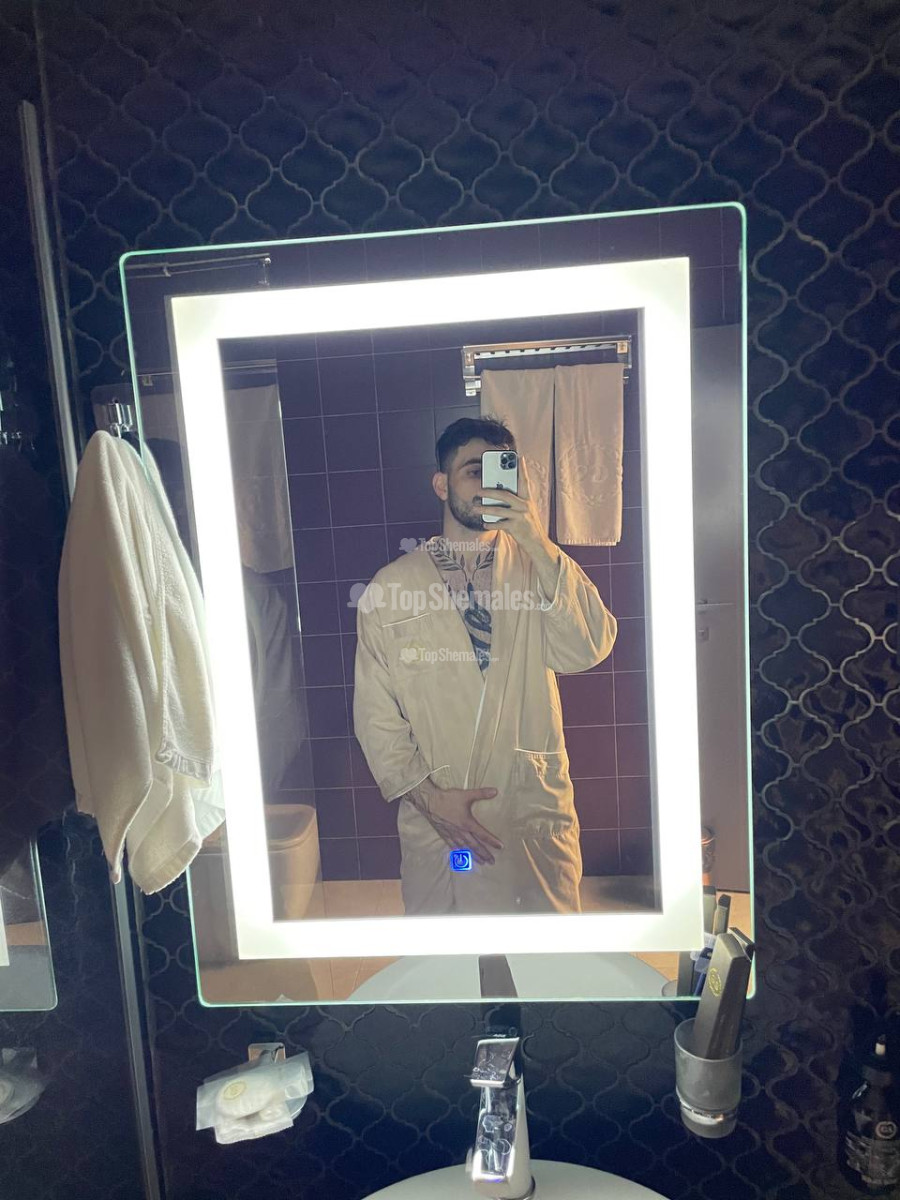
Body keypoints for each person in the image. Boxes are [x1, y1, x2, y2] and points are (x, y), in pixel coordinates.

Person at [353, 417, 617, 915]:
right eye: (475, 471)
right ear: (442, 485)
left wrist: (535, 538)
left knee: (544, 955)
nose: (490, 484)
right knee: (449, 957)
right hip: (442, 817)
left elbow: (588, 647)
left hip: (527, 812)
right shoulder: (391, 588)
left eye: (502, 471)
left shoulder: (539, 565)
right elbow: (375, 716)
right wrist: (430, 800)